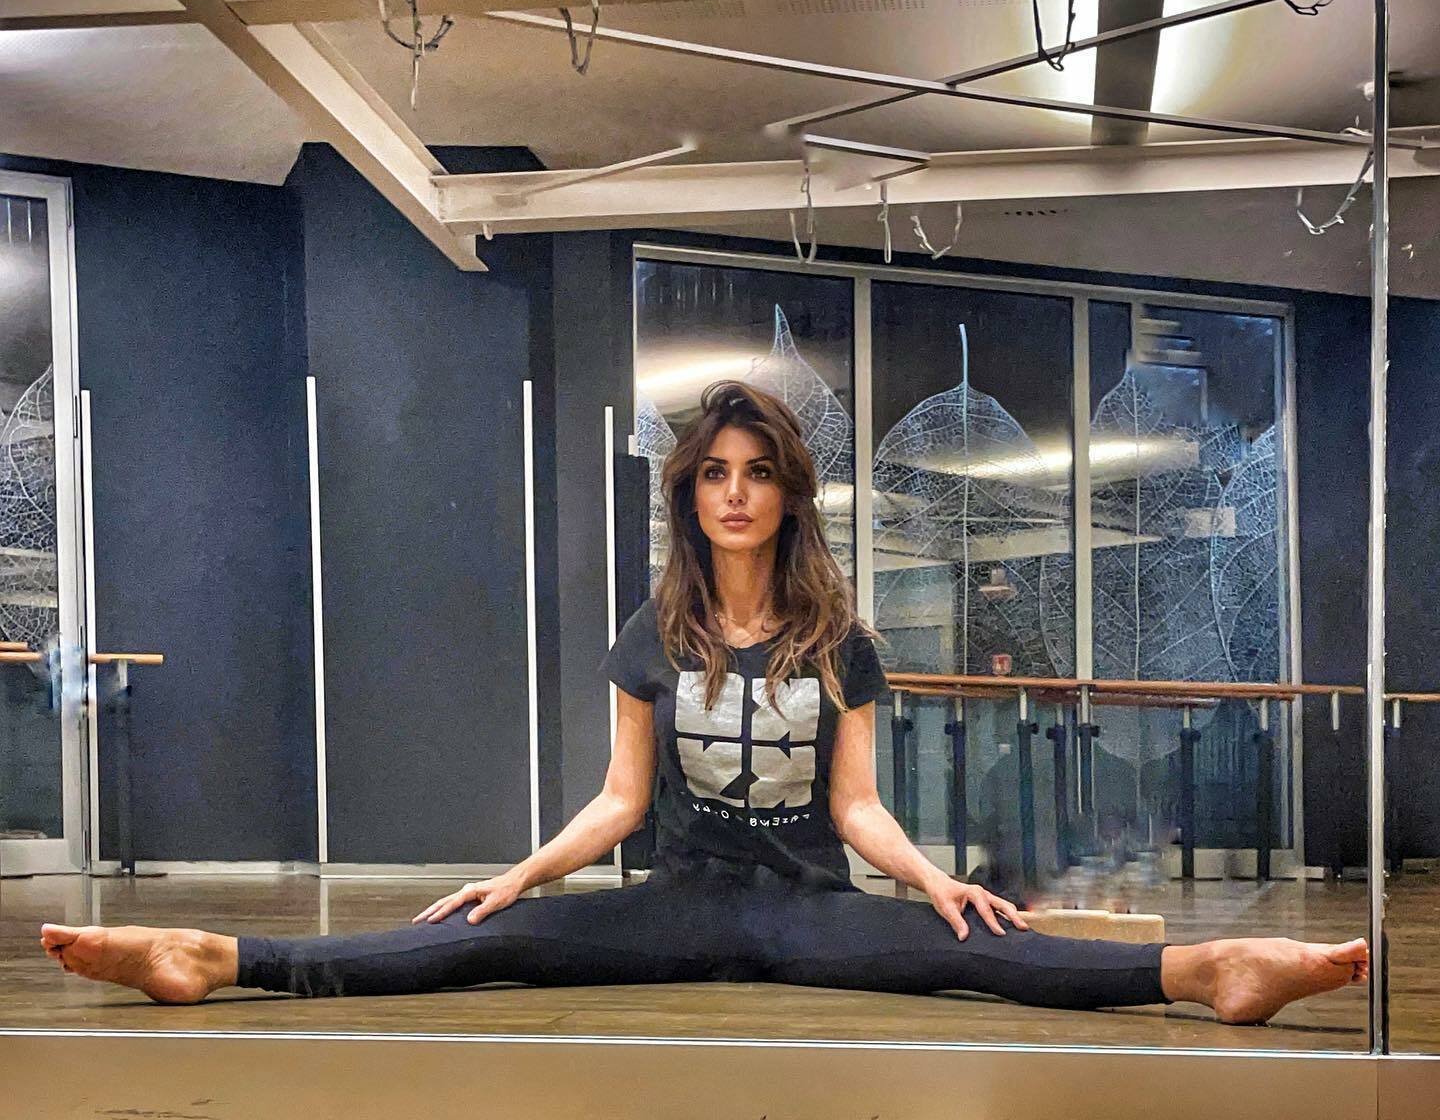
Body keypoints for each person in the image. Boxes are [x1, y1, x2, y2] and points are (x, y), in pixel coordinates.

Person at [40, 381, 1367, 1024]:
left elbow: (858, 808)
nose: (736, 491)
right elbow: (623, 800)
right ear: (692, 493)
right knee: (477, 941)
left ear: (788, 492)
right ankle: (215, 957)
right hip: (675, 902)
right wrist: (522, 874)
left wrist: (935, 879)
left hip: (806, 908)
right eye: (716, 472)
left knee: (973, 949)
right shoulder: (653, 632)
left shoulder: (841, 641)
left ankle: (1209, 970)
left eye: (759, 471)